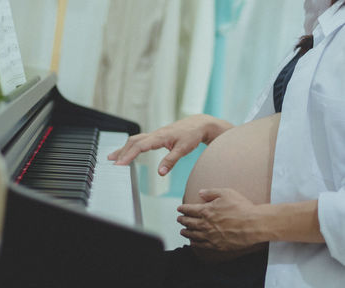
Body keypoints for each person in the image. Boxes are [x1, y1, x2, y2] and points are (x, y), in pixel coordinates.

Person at [108, 0, 345, 287]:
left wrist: (255, 221)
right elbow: (306, 156)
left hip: (272, 265)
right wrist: (214, 129)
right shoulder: (328, 23)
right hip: (242, 259)